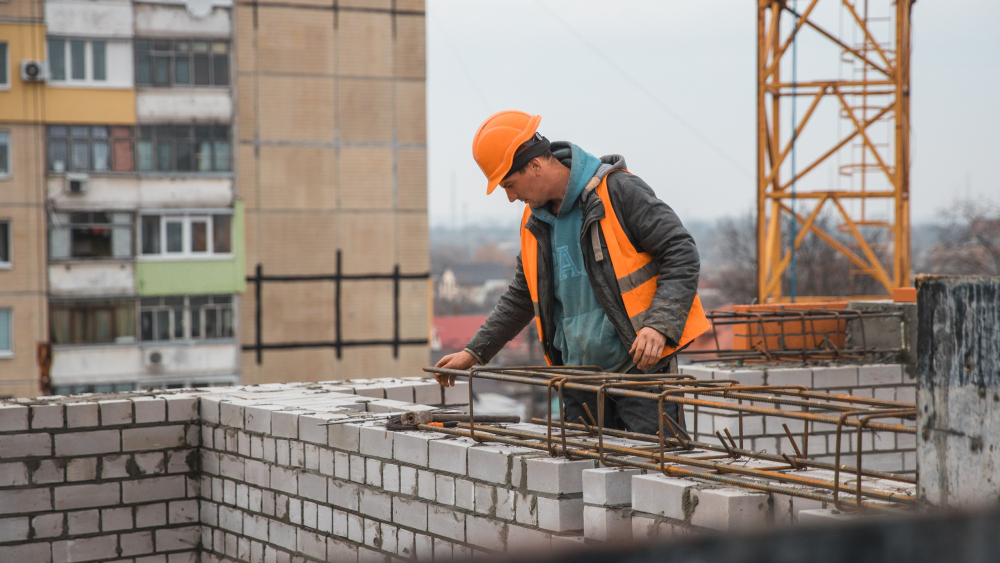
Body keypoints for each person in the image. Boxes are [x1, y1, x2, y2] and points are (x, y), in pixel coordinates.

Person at [434, 110, 710, 435]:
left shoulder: (618, 192)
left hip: (641, 378)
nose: (510, 197)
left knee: (656, 476)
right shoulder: (534, 222)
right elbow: (523, 296)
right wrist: (475, 352)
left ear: (536, 166)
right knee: (584, 482)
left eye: (510, 184)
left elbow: (681, 251)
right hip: (581, 386)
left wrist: (659, 326)